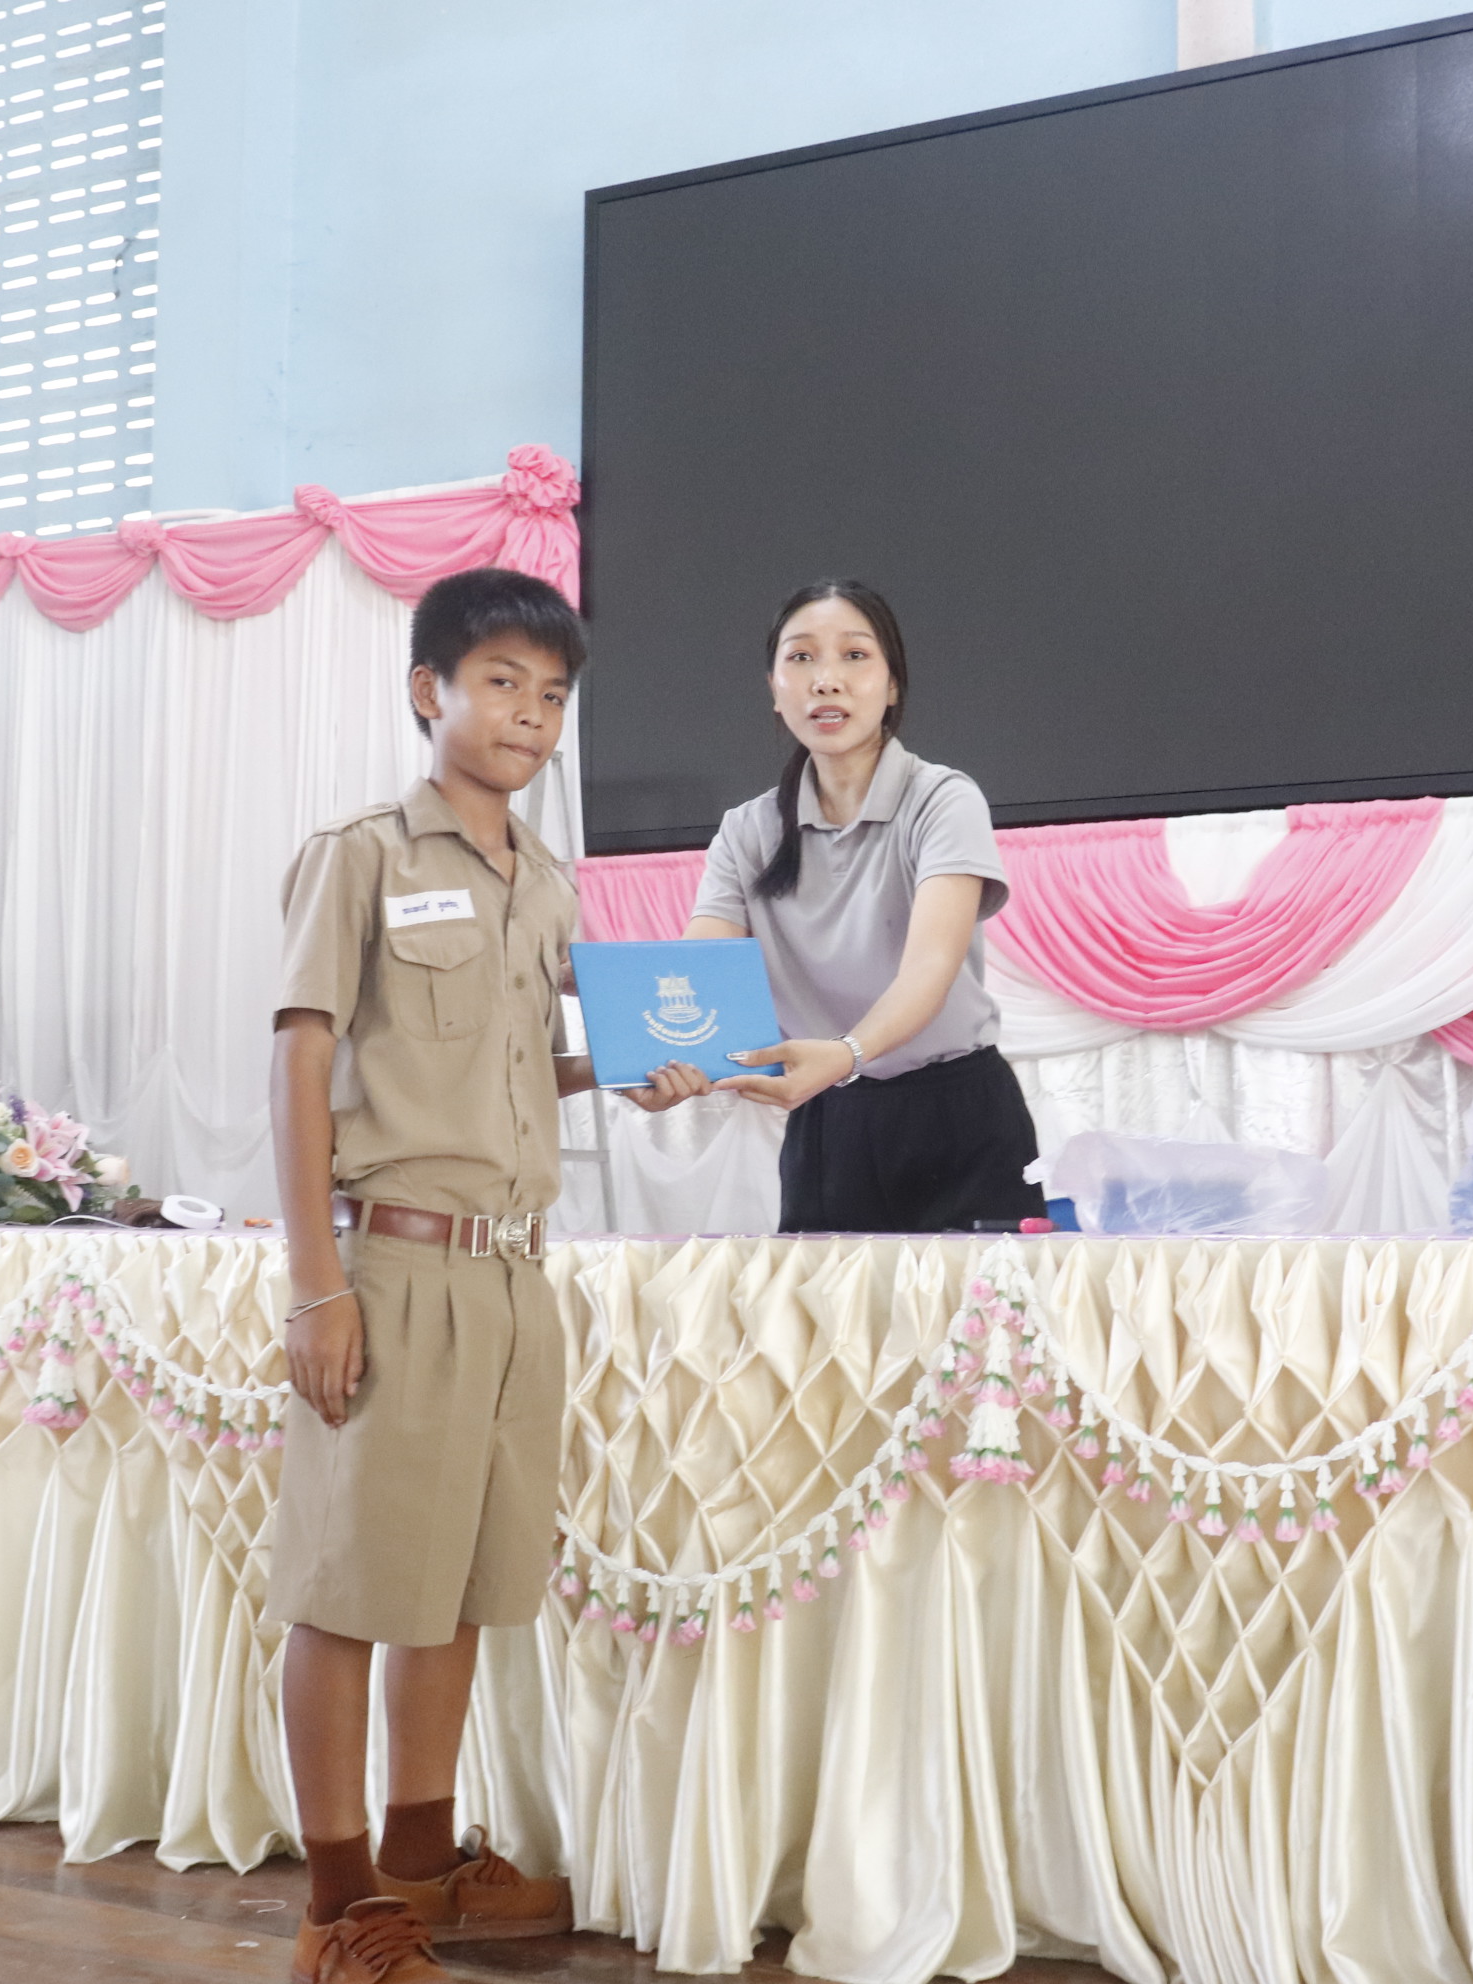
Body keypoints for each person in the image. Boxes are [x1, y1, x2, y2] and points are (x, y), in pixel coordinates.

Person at [267, 567, 676, 1983]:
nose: (529, 715)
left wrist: (627, 1067)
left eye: (552, 695)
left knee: (449, 1587)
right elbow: (302, 1060)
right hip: (393, 1265)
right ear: (427, 690)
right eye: (501, 682)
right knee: (348, 1585)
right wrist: (317, 1284)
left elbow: (513, 1069)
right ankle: (337, 1910)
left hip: (513, 1279)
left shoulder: (547, 884)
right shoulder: (363, 857)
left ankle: (423, 1865)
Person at [650, 580, 1045, 1232]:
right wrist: (623, 1014)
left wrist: (848, 1052)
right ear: (775, 689)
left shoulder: (943, 799)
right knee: (826, 1303)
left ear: (892, 686)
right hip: (828, 1117)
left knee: (982, 1302)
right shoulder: (746, 831)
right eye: (801, 657)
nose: (826, 680)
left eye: (855, 656)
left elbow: (929, 969)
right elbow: (703, 971)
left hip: (960, 1115)